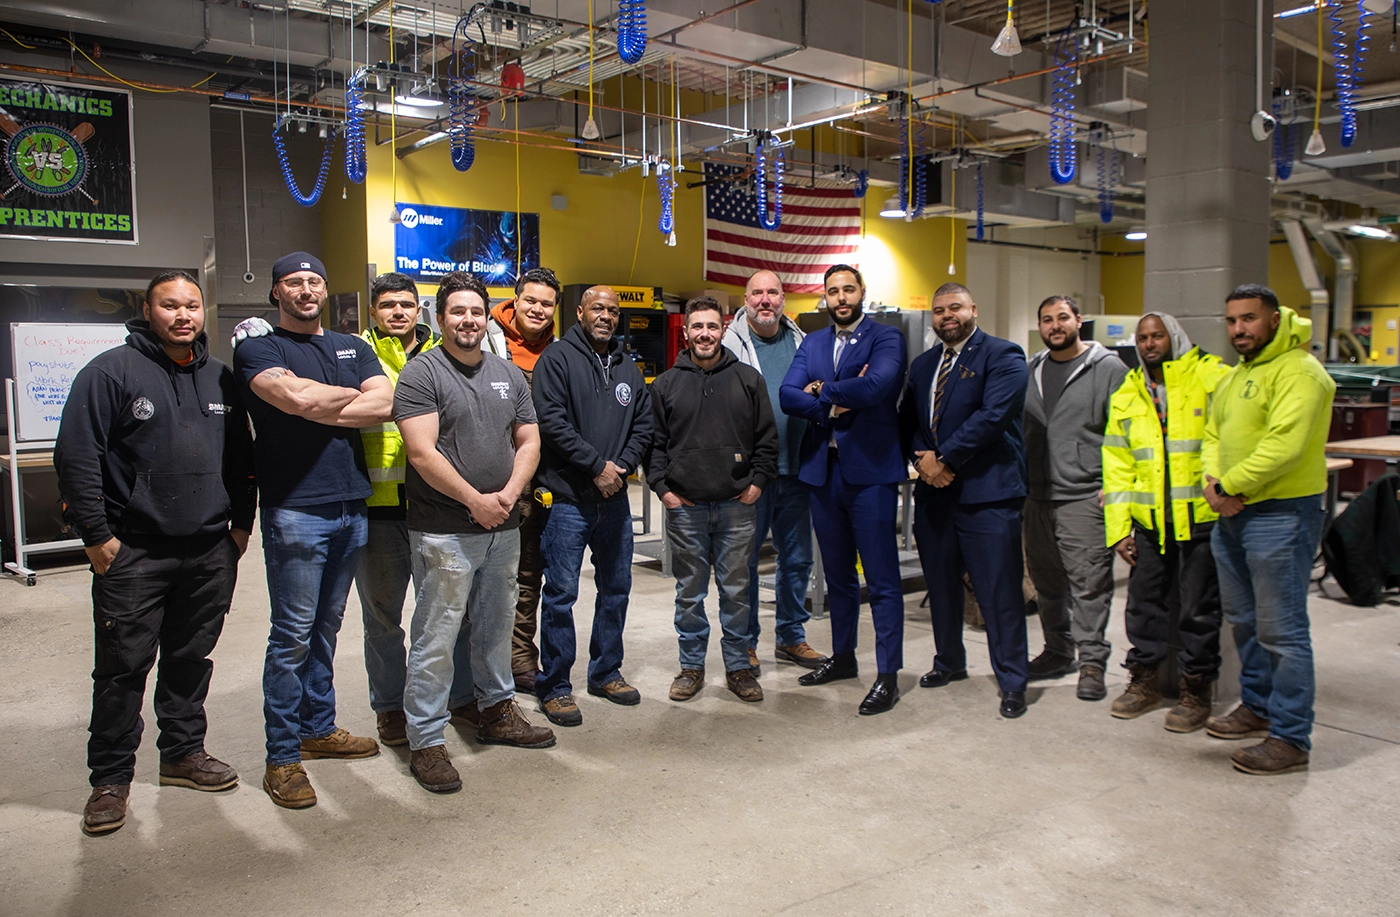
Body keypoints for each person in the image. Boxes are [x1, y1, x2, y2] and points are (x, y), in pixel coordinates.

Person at [56, 270, 256, 836]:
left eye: (192, 305)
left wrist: (241, 526)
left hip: (209, 548)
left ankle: (183, 755)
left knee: (191, 659)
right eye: (170, 305)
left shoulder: (219, 378)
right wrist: (96, 536)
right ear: (148, 311)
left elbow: (242, 458)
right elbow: (77, 456)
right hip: (134, 551)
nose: (183, 315)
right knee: (122, 669)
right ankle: (110, 779)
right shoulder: (109, 373)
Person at [234, 251, 393, 809]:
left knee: (326, 629)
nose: (306, 290)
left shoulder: (352, 345)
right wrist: (341, 399)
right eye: (294, 282)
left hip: (351, 503)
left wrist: (317, 405)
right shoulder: (259, 347)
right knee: (292, 636)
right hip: (295, 507)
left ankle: (317, 728)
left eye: (315, 281)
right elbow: (295, 396)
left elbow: (387, 402)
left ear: (325, 290)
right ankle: (282, 758)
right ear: (276, 292)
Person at [394, 271, 554, 793]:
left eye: (476, 312)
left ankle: (496, 710)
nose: (468, 320)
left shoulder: (508, 373)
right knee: (436, 636)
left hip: (503, 527)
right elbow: (422, 452)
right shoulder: (422, 373)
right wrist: (475, 501)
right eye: (457, 311)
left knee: (495, 626)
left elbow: (529, 441)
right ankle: (426, 739)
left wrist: (508, 494)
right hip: (445, 531)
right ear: (440, 318)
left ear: (488, 318)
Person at [1202, 285, 1334, 776]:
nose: (1239, 329)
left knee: (1283, 630)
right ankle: (1257, 707)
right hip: (1232, 516)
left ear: (1274, 320)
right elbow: (1212, 435)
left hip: (1281, 516)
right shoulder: (1236, 375)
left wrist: (1229, 485)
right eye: (1232, 320)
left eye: (1249, 319)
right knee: (1244, 620)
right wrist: (1214, 485)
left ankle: (1291, 736)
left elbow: (1285, 447)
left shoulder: (1301, 372)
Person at [779, 264, 908, 716]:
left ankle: (888, 675)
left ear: (862, 292)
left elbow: (876, 387)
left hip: (870, 473)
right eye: (833, 291)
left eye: (848, 289)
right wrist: (835, 400)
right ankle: (844, 657)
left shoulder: (886, 338)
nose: (841, 298)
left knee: (882, 578)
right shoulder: (812, 341)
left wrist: (821, 389)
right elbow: (788, 395)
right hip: (823, 471)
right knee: (837, 576)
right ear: (825, 297)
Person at [900, 282, 1031, 719]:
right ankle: (949, 661)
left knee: (998, 592)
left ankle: (1012, 680)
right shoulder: (924, 364)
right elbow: (909, 420)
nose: (946, 316)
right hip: (935, 495)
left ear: (973, 309)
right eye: (939, 310)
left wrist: (943, 458)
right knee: (940, 586)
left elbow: (993, 417)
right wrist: (922, 460)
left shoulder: (1003, 355)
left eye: (954, 307)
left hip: (988, 495)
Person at [532, 285, 653, 726]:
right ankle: (555, 686)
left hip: (614, 500)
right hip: (568, 500)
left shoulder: (627, 367)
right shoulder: (556, 360)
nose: (606, 316)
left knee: (616, 589)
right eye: (598, 308)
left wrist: (622, 466)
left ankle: (605, 672)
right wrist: (595, 466)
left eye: (613, 311)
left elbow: (644, 423)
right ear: (580, 312)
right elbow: (551, 423)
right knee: (561, 595)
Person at [648, 296, 779, 703]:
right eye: (697, 327)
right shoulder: (666, 384)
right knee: (689, 593)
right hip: (685, 508)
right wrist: (664, 490)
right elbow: (654, 446)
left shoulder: (748, 379)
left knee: (736, 591)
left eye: (711, 326)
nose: (704, 334)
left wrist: (757, 483)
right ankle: (691, 667)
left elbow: (767, 440)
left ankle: (739, 668)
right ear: (686, 332)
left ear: (723, 329)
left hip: (736, 507)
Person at [1102, 313, 1229, 731]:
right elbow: (1117, 466)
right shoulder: (1128, 391)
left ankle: (1196, 692)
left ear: (1173, 337)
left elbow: (1232, 440)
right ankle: (1145, 683)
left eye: (1157, 336)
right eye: (1143, 338)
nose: (1150, 343)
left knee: (1199, 609)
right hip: (1149, 523)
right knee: (1142, 607)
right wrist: (1119, 530)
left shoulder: (1212, 376)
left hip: (1200, 520)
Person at [351, 272, 445, 747]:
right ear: (373, 311)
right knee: (383, 619)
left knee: (444, 616)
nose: (398, 312)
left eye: (406, 304)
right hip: (378, 508)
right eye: (388, 305)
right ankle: (389, 708)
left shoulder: (442, 354)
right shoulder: (353, 354)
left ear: (419, 309)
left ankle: (449, 700)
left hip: (437, 506)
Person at [1022, 295, 1128, 702]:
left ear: (1079, 321)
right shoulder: (1031, 369)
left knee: (1089, 585)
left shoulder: (1109, 369)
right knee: (1047, 583)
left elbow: (1128, 432)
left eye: (1062, 317)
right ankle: (1058, 651)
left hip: (1084, 495)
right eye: (1047, 319)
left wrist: (1114, 486)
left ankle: (1092, 664)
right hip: (1037, 495)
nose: (1055, 326)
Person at [722, 270, 827, 671]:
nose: (765, 300)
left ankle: (791, 637)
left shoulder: (803, 342)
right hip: (753, 475)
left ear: (784, 299)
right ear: (746, 300)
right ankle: (745, 642)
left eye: (772, 292)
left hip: (799, 469)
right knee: (744, 562)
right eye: (757, 293)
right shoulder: (730, 345)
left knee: (797, 559)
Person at [482, 266, 562, 694]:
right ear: (515, 300)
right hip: (487, 481)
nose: (537, 309)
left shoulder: (559, 351)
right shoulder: (485, 338)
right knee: (482, 578)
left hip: (537, 483)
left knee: (528, 573)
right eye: (530, 300)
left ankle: (519, 658)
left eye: (546, 304)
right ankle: (478, 669)